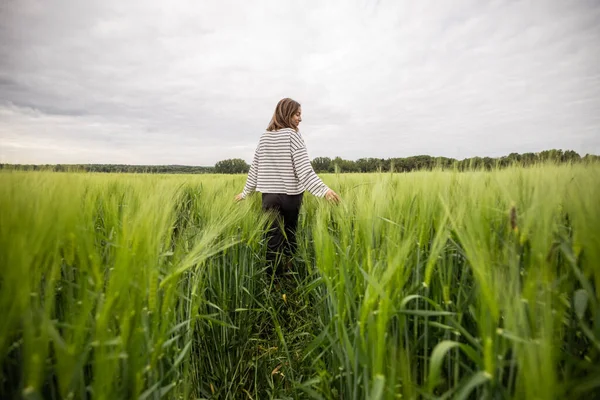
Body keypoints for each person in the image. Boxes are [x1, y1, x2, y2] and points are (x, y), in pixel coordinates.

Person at [235, 98, 341, 277]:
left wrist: (245, 193)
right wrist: (324, 190)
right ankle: (290, 272)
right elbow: (304, 170)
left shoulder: (264, 137)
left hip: (269, 196)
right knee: (290, 235)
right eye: (297, 114)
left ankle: (273, 282)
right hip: (291, 197)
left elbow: (255, 168)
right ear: (287, 114)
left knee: (272, 240)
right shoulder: (293, 135)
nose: (300, 119)